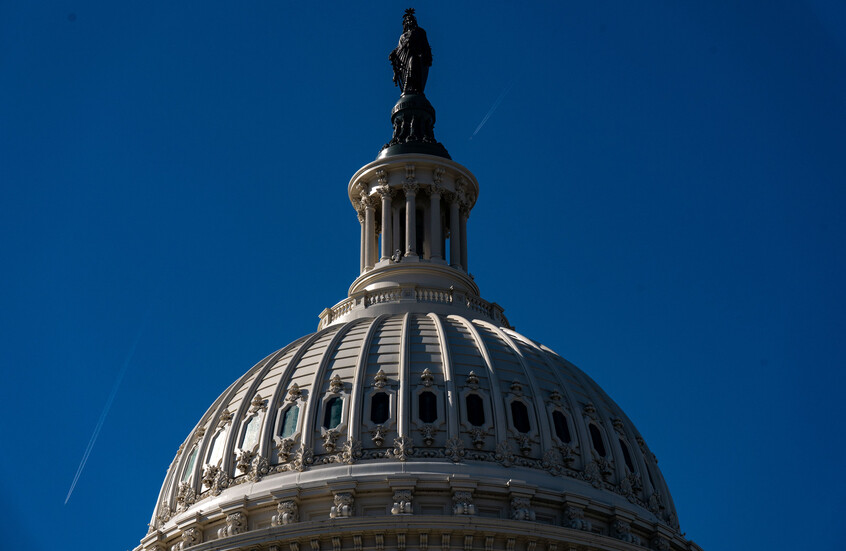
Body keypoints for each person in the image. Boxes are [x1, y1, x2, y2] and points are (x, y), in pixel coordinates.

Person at [389, 9, 432, 95]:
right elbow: (399, 49)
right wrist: (393, 54)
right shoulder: (403, 36)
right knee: (406, 70)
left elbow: (425, 45)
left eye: (412, 20)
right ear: (405, 23)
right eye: (408, 20)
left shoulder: (420, 32)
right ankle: (407, 89)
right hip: (404, 58)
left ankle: (415, 88)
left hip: (416, 55)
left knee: (413, 66)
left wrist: (425, 56)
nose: (410, 22)